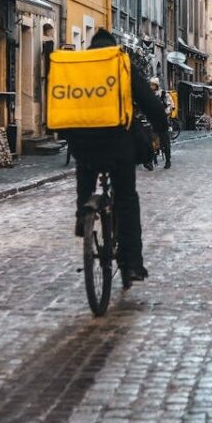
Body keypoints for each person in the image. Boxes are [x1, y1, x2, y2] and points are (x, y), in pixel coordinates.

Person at [65, 29, 168, 285]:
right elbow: (149, 102)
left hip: (83, 141)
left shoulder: (77, 68)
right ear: (113, 48)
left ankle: (83, 216)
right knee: (126, 200)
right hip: (118, 145)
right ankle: (132, 264)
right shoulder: (122, 65)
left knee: (85, 176)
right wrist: (160, 127)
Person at [149, 77, 173, 169]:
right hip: (153, 122)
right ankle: (150, 162)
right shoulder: (149, 95)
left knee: (165, 141)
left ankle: (168, 160)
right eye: (150, 84)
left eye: (153, 84)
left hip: (162, 122)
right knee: (151, 142)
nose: (151, 86)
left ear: (157, 85)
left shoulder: (164, 94)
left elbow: (170, 105)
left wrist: (164, 113)